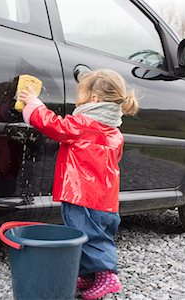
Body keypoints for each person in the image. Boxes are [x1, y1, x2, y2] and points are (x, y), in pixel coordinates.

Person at [18, 69, 138, 300]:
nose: (77, 99)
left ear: (94, 99)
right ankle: (90, 274)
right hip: (105, 198)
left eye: (80, 93)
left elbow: (55, 126)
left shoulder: (85, 124)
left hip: (81, 194)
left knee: (86, 234)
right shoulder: (114, 131)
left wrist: (34, 104)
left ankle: (107, 276)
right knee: (98, 233)